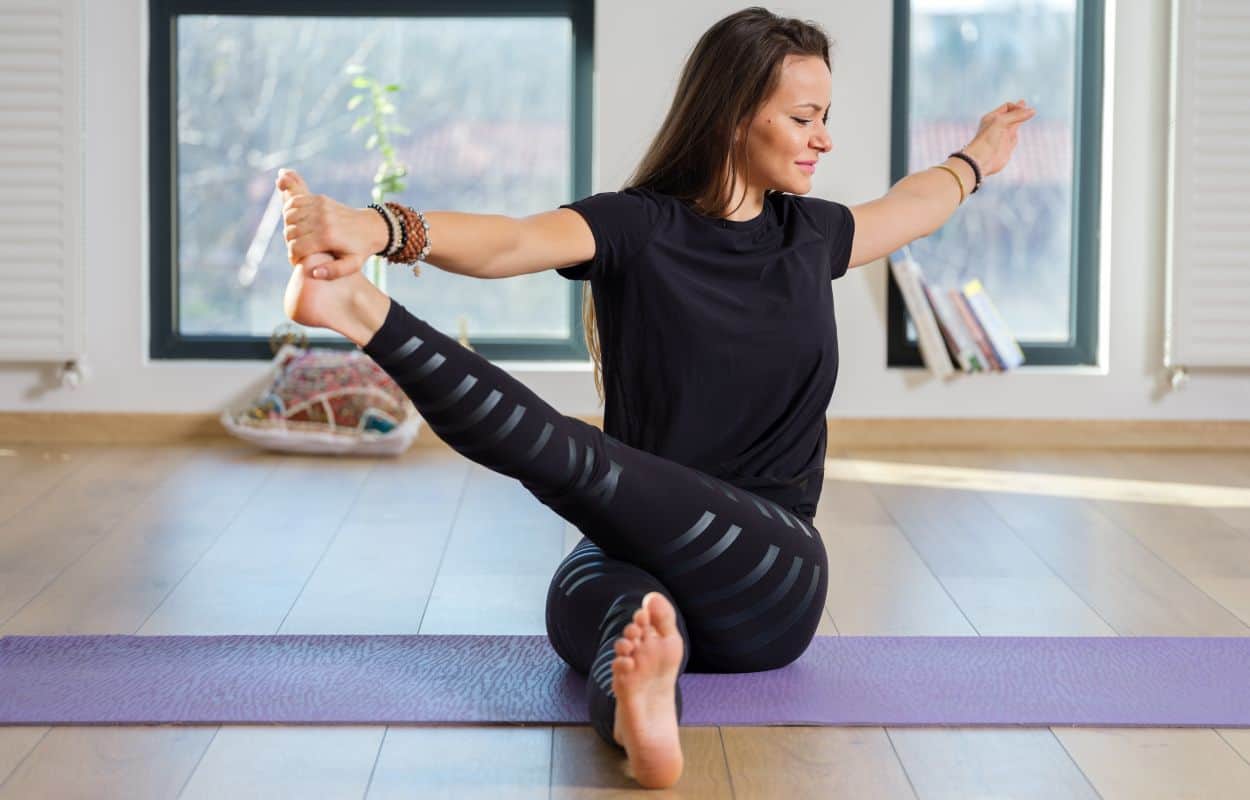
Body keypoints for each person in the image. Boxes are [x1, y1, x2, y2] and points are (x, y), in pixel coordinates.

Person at [274, 6, 1034, 789]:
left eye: (825, 118)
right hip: (618, 563)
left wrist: (979, 154)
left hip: (766, 573)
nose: (824, 139)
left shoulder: (812, 237)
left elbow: (916, 204)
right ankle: (642, 721)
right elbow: (511, 241)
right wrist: (378, 227)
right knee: (624, 628)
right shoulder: (636, 226)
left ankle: (362, 313)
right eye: (804, 118)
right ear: (735, 116)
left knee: (579, 461)